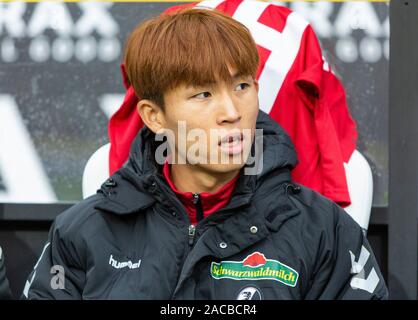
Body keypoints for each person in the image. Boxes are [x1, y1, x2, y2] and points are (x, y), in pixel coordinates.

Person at [23, 8, 387, 300]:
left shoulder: (326, 231)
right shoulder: (80, 232)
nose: (232, 111)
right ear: (154, 117)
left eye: (242, 86)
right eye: (203, 94)